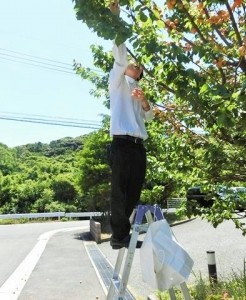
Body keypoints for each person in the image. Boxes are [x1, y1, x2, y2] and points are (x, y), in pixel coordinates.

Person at [108, 1, 154, 250]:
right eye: (133, 63)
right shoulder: (117, 82)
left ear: (140, 73)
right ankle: (119, 237)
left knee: (133, 191)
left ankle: (121, 234)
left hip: (138, 146)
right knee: (119, 192)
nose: (134, 65)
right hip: (121, 143)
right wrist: (116, 19)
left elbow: (150, 118)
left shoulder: (139, 91)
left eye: (138, 66)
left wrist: (145, 102)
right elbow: (120, 53)